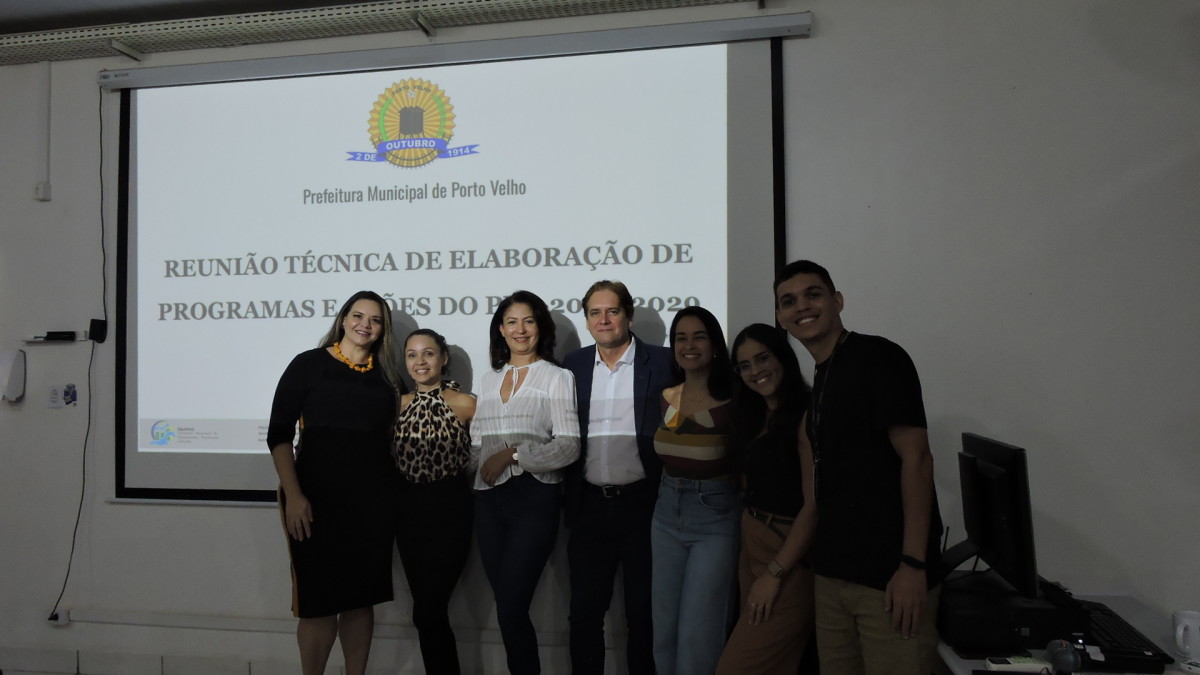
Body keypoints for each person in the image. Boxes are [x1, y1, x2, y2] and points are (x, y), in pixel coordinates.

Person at [774, 260, 945, 675]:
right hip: (833, 577)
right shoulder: (822, 378)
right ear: (781, 317)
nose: (802, 306)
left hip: (889, 579)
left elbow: (917, 460)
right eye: (788, 301)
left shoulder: (880, 357)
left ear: (837, 300)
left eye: (813, 294)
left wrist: (913, 565)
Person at [267, 290, 401, 675]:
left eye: (375, 320)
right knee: (318, 604)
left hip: (371, 507)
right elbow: (279, 435)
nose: (365, 325)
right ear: (343, 319)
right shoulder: (308, 364)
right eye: (358, 316)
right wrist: (295, 496)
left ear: (383, 329)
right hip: (314, 502)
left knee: (360, 600)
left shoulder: (387, 378)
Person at [562, 280, 675, 675]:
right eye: (595, 312)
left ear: (628, 315)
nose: (604, 319)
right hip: (590, 507)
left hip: (645, 506)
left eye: (612, 311)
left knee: (643, 615)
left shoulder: (663, 362)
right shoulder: (573, 365)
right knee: (584, 615)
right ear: (587, 320)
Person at [471, 290, 581, 675]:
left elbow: (569, 445)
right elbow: (476, 445)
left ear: (540, 327)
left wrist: (513, 454)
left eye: (529, 321)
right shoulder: (488, 380)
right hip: (487, 501)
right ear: (501, 330)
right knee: (507, 606)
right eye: (512, 322)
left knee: (512, 605)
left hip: (533, 499)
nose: (520, 329)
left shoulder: (557, 377)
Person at [716, 323, 816, 674]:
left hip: (786, 553)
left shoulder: (807, 414)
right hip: (752, 543)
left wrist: (775, 573)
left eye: (762, 358)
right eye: (745, 365)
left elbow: (814, 505)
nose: (755, 370)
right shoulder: (754, 414)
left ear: (782, 357)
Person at [650, 305, 739, 675]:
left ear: (715, 345)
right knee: (664, 634)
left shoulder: (735, 400)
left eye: (699, 337)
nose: (689, 345)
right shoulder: (666, 397)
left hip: (714, 519)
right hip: (665, 514)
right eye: (680, 338)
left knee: (698, 638)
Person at [392, 328, 476, 674]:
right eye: (412, 355)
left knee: (429, 609)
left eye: (428, 353)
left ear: (443, 358)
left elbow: (480, 459)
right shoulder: (395, 406)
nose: (420, 361)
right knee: (425, 611)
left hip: (451, 512)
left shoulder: (467, 404)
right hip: (409, 514)